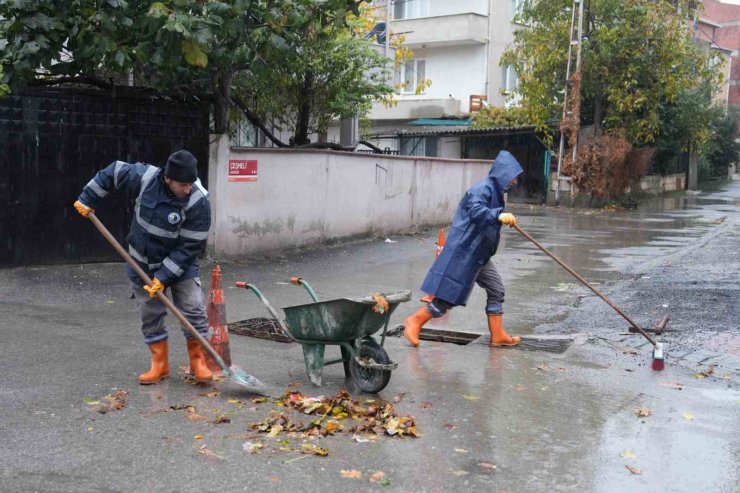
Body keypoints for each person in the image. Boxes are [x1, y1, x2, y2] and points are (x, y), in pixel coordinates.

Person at [73, 150, 213, 384]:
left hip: (181, 266)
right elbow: (114, 171)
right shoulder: (146, 178)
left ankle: (198, 363)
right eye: (183, 185)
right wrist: (88, 198)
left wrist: (165, 276)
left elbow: (191, 246)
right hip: (142, 262)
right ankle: (159, 365)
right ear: (168, 179)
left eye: (191, 184)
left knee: (192, 309)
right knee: (150, 314)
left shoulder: (198, 202)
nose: (188, 189)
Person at [404, 150, 524, 348]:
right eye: (513, 178)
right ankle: (415, 321)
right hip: (465, 253)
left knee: (496, 289)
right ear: (503, 174)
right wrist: (498, 216)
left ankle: (498, 335)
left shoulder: (496, 192)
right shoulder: (482, 189)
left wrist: (499, 216)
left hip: (479, 254)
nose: (515, 183)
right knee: (448, 298)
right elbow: (477, 212)